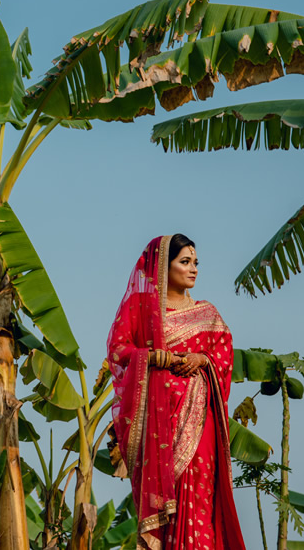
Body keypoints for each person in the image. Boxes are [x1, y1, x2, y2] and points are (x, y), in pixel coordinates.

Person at [106, 234, 245, 550]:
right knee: (168, 503)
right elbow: (117, 350)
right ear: (162, 267)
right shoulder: (140, 308)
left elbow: (223, 357)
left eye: (195, 263)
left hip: (199, 423)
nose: (193, 269)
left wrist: (202, 359)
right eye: (185, 262)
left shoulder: (208, 314)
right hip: (159, 424)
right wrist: (151, 356)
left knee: (198, 494)